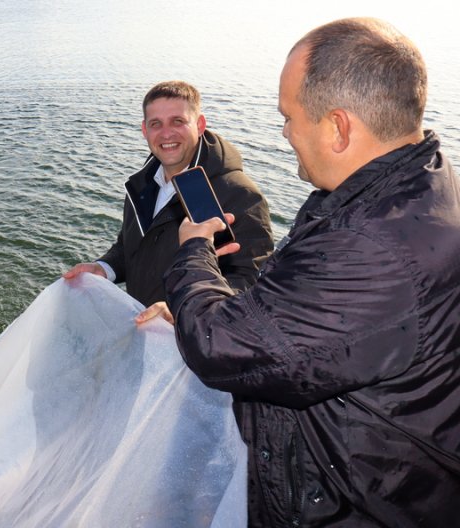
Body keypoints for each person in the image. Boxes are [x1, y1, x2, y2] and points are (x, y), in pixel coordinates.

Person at [164, 18, 460, 526]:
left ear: (339, 127)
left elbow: (217, 346)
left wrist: (195, 253)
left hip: (356, 504)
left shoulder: (370, 246)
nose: (284, 133)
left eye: (289, 117)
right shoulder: (417, 185)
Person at [64, 81, 274, 322]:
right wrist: (104, 269)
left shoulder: (238, 195)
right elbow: (129, 246)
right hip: (144, 327)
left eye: (178, 121)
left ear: (200, 124)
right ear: (145, 130)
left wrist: (182, 310)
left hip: (194, 343)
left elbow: (252, 282)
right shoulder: (142, 183)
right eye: (156, 124)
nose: (166, 134)